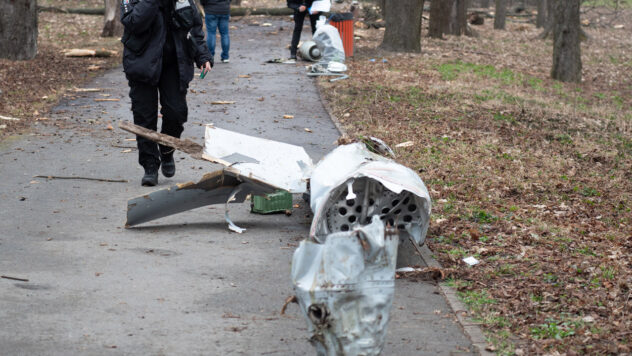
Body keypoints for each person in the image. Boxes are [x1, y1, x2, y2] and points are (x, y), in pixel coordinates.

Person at [120, 0, 212, 186]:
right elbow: (134, 23)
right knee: (144, 117)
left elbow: (194, 26)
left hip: (174, 65)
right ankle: (150, 166)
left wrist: (202, 55)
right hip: (142, 63)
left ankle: (167, 149)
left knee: (176, 112)